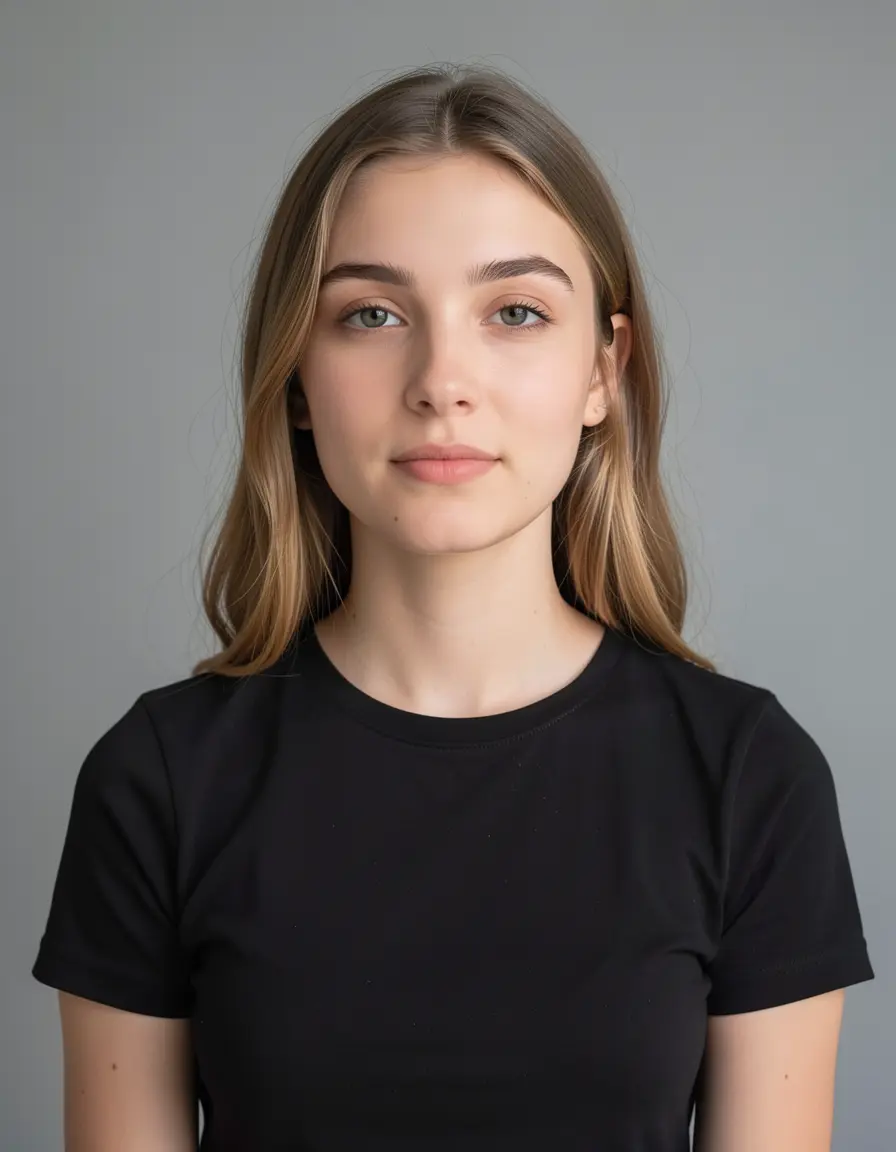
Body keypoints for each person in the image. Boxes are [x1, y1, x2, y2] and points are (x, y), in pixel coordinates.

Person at [32, 63, 875, 1151]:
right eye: (371, 314)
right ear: (294, 372)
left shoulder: (748, 778)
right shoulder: (159, 780)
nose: (441, 379)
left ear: (600, 374)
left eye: (514, 311)